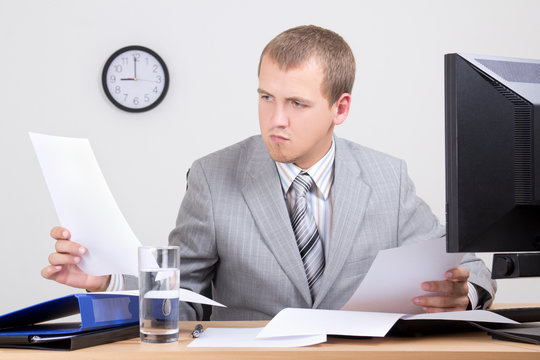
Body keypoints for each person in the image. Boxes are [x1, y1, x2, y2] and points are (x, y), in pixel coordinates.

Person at [42, 25, 496, 321]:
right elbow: (182, 300)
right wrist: (107, 282)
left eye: (296, 103)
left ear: (340, 108)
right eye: (265, 97)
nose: (275, 119)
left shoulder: (387, 178)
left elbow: (471, 267)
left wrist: (465, 295)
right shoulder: (213, 177)